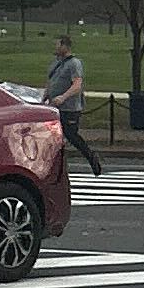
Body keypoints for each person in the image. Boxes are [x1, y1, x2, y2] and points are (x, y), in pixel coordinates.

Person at [40, 33, 103, 179]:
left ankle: (91, 157)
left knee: (71, 135)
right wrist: (46, 95)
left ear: (64, 46)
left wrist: (63, 97)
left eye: (57, 45)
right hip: (55, 107)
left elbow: (77, 85)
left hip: (70, 108)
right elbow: (51, 80)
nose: (55, 47)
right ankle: (55, 169)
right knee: (54, 138)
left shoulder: (74, 63)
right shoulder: (56, 63)